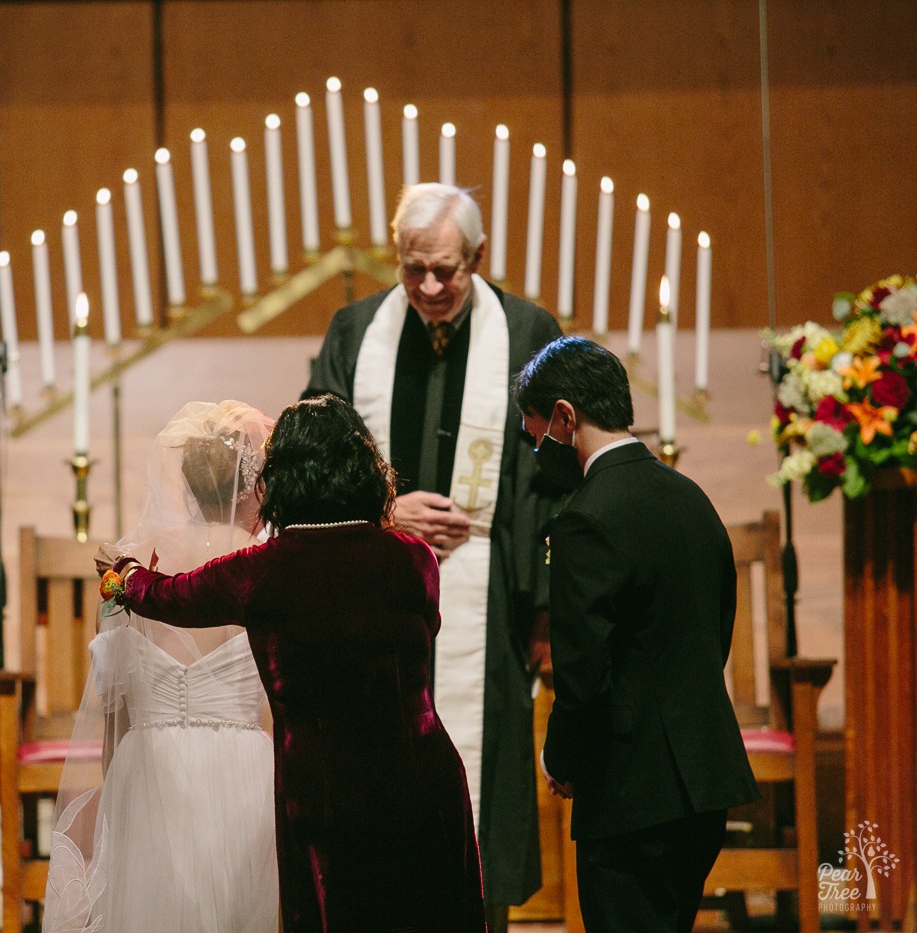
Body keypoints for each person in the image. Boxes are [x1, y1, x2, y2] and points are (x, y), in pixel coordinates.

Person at [100, 394, 485, 933]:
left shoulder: (262, 570)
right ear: (363, 467)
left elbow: (170, 597)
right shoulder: (413, 557)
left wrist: (124, 572)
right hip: (422, 777)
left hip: (325, 790)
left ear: (280, 479)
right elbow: (427, 630)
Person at [304, 181, 561, 919]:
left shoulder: (528, 331)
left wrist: (545, 614)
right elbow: (314, 458)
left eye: (445, 270)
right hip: (371, 604)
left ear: (480, 256)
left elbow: (553, 478)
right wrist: (383, 508)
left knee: (480, 792)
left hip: (492, 599)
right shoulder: (355, 331)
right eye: (412, 268)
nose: (427, 286)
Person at [515, 337, 759, 932]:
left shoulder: (586, 516)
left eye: (537, 433)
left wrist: (562, 755)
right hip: (702, 780)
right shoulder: (689, 496)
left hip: (631, 790)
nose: (538, 451)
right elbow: (715, 627)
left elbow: (583, 669)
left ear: (566, 417)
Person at [44, 400, 278, 933]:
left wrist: (119, 787)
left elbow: (115, 708)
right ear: (255, 485)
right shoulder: (267, 563)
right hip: (243, 766)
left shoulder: (129, 561)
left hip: (148, 763)